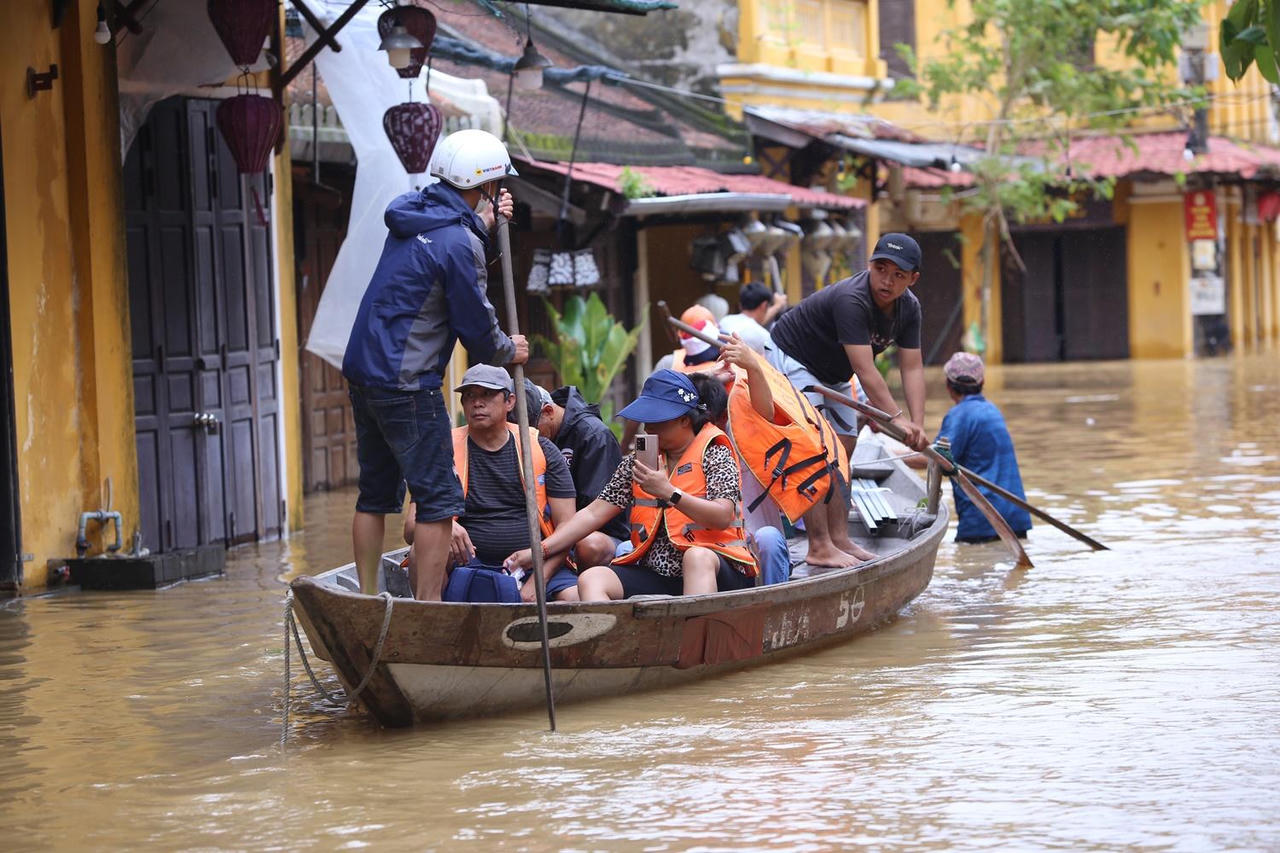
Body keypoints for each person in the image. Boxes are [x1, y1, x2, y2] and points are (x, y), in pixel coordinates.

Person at [342, 128, 527, 599]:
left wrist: (483, 227)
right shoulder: (457, 242)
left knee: (374, 494)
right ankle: (427, 609)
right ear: (484, 185)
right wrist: (510, 350)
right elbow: (478, 330)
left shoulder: (415, 214)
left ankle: (367, 597)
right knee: (439, 500)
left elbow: (445, 255)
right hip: (409, 382)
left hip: (365, 372)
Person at [504, 369, 758, 600]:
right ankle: (611, 647)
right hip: (661, 573)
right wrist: (540, 550)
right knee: (592, 578)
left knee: (696, 556)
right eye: (646, 419)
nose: (648, 427)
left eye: (658, 420)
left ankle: (689, 647)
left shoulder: (714, 452)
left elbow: (723, 516)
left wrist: (670, 493)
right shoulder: (640, 459)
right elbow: (593, 513)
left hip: (717, 568)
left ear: (685, 420)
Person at [406, 364, 580, 601]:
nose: (477, 403)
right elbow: (410, 528)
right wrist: (444, 523)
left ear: (509, 402)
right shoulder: (442, 450)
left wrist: (539, 579)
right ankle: (436, 623)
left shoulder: (540, 448)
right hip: (467, 563)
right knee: (421, 549)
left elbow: (568, 530)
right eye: (469, 396)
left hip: (533, 562)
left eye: (487, 394)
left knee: (574, 599)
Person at [716, 334, 877, 566]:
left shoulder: (759, 380)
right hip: (739, 484)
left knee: (821, 449)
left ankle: (837, 540)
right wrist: (750, 366)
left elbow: (766, 412)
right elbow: (766, 412)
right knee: (807, 451)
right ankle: (820, 545)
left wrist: (752, 366)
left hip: (754, 481)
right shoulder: (727, 383)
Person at [767, 232, 929, 455]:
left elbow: (911, 367)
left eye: (898, 274)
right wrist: (897, 419)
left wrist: (917, 426)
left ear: (913, 279)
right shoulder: (851, 300)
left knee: (845, 442)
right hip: (794, 355)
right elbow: (864, 369)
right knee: (816, 438)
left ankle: (837, 489)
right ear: (870, 265)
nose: (887, 281)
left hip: (834, 372)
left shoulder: (910, 308)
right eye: (880, 269)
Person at [908, 353, 1032, 544]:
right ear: (982, 382)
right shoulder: (992, 410)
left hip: (982, 522)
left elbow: (935, 460)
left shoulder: (959, 415)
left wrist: (895, 458)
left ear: (948, 385)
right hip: (1015, 519)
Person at [513, 379, 631, 566]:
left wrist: (552, 539)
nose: (528, 439)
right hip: (549, 529)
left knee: (589, 544)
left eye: (532, 431)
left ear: (549, 412)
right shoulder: (532, 438)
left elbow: (595, 512)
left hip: (597, 533)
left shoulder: (594, 435)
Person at [719, 282, 786, 354]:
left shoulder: (725, 320)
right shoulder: (763, 336)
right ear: (764, 305)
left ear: (740, 305)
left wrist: (777, 305)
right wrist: (778, 305)